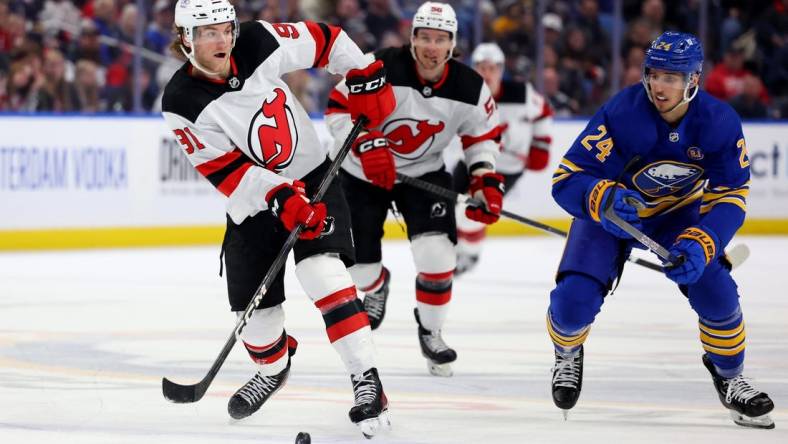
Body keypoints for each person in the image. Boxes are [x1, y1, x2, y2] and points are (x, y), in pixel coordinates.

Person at [160, 0, 395, 436]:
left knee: (323, 276)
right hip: (254, 205)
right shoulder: (180, 100)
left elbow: (324, 41)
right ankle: (274, 366)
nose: (222, 39)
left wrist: (361, 71)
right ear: (184, 39)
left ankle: (367, 381)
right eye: (208, 32)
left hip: (314, 177)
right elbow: (227, 171)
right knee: (257, 321)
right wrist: (279, 196)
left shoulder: (257, 39)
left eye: (225, 29)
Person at [547, 31, 775, 429]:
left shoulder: (719, 122)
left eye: (672, 77)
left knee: (717, 293)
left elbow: (731, 195)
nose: (659, 85)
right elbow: (566, 178)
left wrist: (705, 241)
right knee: (572, 304)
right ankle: (567, 353)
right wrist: (601, 198)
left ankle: (730, 376)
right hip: (610, 216)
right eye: (654, 74)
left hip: (677, 214)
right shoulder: (622, 112)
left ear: (694, 80)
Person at [325, 1, 502, 377]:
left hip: (424, 174)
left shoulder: (470, 87)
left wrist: (484, 177)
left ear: (452, 44)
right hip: (361, 173)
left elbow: (481, 136)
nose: (431, 47)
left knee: (437, 256)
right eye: (425, 37)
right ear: (412, 38)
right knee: (359, 270)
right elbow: (339, 107)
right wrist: (365, 144)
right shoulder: (379, 65)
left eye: (440, 39)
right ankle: (377, 285)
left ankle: (432, 331)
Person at [452, 42, 554, 275]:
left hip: (505, 167)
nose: (486, 73)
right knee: (449, 206)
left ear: (500, 70)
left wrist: (541, 146)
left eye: (492, 68)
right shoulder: (463, 93)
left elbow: (544, 113)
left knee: (473, 212)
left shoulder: (522, 94)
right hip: (470, 160)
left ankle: (470, 254)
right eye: (481, 67)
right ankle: (457, 245)